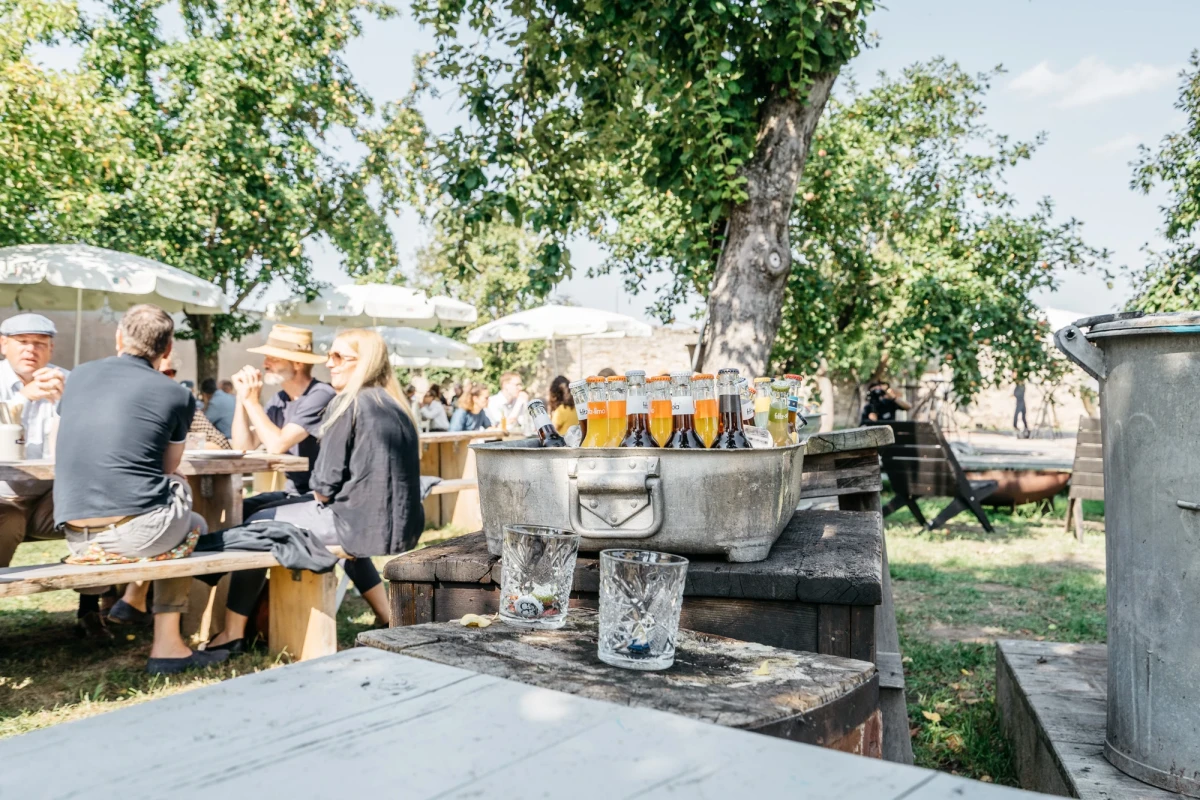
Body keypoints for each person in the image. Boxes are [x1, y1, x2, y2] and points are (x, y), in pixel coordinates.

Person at [207, 329, 424, 651]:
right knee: (255, 512)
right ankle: (385, 614)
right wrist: (244, 400)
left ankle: (232, 632)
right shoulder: (393, 403)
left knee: (259, 524)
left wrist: (321, 496)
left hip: (352, 522)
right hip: (391, 524)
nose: (329, 363)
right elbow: (248, 446)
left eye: (338, 357)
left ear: (362, 362)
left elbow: (322, 486)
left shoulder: (343, 403)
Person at [53, 304, 228, 674]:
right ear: (167, 348)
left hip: (76, 536)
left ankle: (135, 602)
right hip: (133, 535)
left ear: (119, 337)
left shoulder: (78, 376)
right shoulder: (176, 394)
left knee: (183, 522)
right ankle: (167, 644)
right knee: (190, 516)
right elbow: (169, 466)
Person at [231, 324, 334, 510]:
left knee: (255, 516)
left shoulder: (321, 395)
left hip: (319, 497)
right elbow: (243, 447)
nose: (265, 364)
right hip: (293, 492)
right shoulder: (280, 399)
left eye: (274, 359)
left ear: (298, 364)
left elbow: (276, 445)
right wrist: (242, 399)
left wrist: (252, 402)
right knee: (236, 509)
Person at [0, 314, 66, 569]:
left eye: (39, 343)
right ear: (4, 345)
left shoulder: (66, 381)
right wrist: (22, 398)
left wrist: (67, 404)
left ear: (51, 348)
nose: (31, 349)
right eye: (23, 341)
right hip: (4, 499)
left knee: (103, 504)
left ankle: (100, 590)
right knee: (9, 519)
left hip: (48, 498)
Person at [160, 355, 230, 450]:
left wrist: (183, 444)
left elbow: (222, 444)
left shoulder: (182, 404)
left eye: (168, 373)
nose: (160, 377)